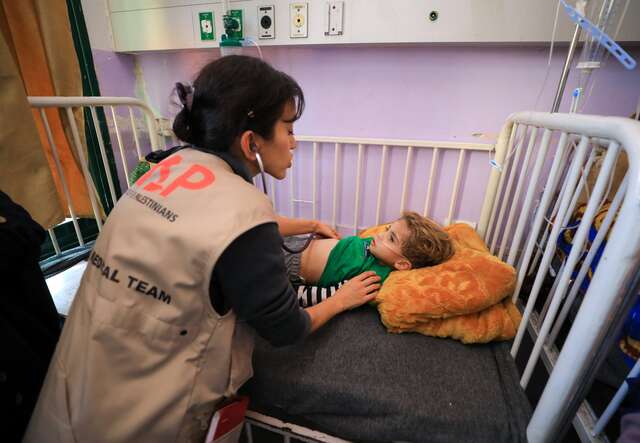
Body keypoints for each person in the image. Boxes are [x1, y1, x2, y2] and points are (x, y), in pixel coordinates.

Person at [24, 55, 380, 443]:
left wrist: (310, 225)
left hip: (75, 380)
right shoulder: (246, 210)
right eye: (288, 129)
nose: (294, 142)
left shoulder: (165, 168)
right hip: (143, 409)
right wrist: (342, 299)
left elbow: (210, 221)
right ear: (251, 142)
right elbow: (286, 327)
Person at [285, 212, 454, 290]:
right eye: (388, 229)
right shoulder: (375, 246)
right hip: (298, 243)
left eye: (391, 238)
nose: (380, 234)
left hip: (291, 266)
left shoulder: (375, 275)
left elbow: (339, 292)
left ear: (402, 264)